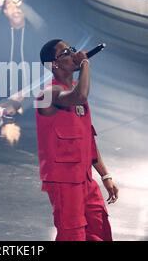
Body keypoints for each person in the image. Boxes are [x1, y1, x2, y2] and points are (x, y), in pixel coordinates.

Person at [36, 39, 119, 241]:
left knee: (98, 226)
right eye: (66, 52)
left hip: (84, 177)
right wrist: (85, 64)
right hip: (64, 180)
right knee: (72, 234)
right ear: (53, 64)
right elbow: (79, 95)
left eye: (72, 49)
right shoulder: (47, 94)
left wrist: (105, 175)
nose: (73, 53)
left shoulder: (74, 88)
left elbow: (88, 139)